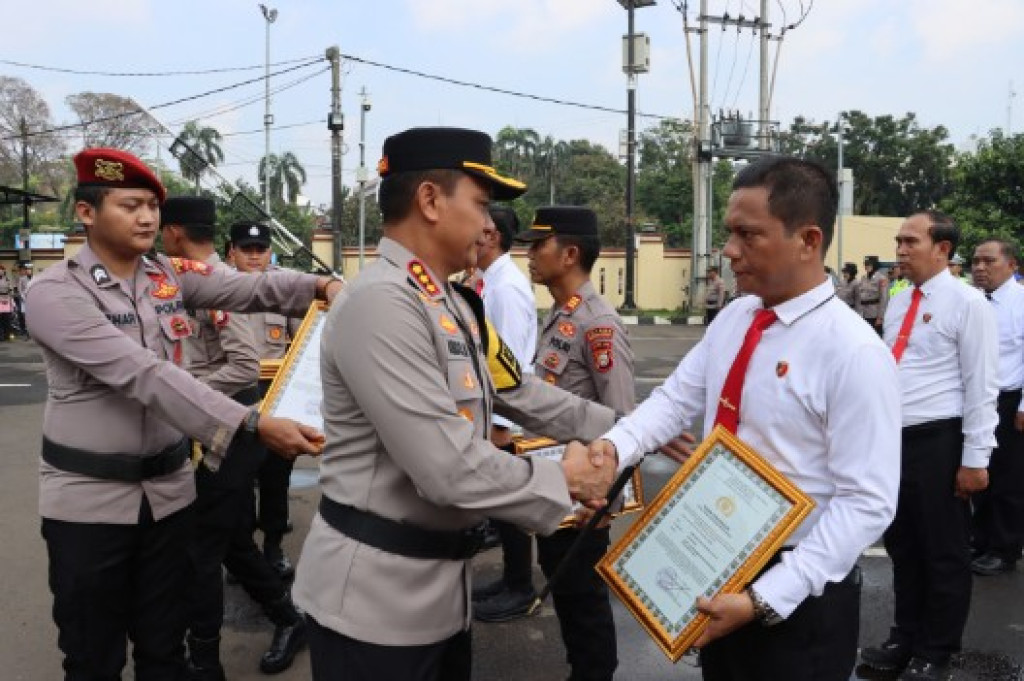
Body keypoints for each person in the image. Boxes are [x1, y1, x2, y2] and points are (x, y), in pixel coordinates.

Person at [291, 126, 619, 681]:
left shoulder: (453, 303)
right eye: (482, 204)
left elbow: (517, 392)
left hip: (438, 596)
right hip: (375, 608)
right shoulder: (382, 305)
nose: (491, 225)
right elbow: (448, 468)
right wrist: (564, 482)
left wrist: (631, 427)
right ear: (430, 201)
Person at [26, 147, 342, 681]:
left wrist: (321, 285)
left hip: (170, 496)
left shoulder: (166, 275)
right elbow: (144, 375)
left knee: (164, 649)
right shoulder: (53, 293)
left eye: (152, 205)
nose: (148, 217)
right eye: (130, 205)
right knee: (92, 657)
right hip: (89, 506)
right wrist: (250, 422)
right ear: (86, 212)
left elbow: (251, 286)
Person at [584, 156, 901, 681]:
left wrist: (765, 599)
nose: (729, 250)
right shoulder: (737, 316)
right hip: (718, 559)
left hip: (799, 587)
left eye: (747, 235)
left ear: (808, 240)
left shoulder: (852, 352)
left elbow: (867, 503)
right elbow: (672, 399)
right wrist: (613, 449)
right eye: (730, 232)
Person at [160, 199, 308, 678]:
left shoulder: (214, 285)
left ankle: (205, 660)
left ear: (174, 233)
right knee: (229, 540)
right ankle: (287, 618)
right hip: (215, 429)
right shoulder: (187, 277)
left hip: (231, 429)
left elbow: (244, 366)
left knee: (204, 547)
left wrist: (182, 394)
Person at [862, 211, 998, 681]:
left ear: (942, 249)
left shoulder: (968, 303)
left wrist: (975, 458)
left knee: (943, 550)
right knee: (903, 545)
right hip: (893, 439)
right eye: (898, 241)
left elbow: (981, 384)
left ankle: (935, 651)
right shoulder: (900, 300)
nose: (899, 249)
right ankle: (905, 636)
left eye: (910, 241)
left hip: (940, 439)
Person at [512, 205, 635, 681]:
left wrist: (608, 498)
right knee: (565, 593)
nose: (529, 254)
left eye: (537, 245)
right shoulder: (561, 314)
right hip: (556, 485)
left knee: (583, 601)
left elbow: (621, 417)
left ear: (569, 254)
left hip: (586, 497)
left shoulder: (598, 324)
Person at [470, 205, 542, 623]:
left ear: (492, 234)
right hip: (493, 412)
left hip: (505, 418)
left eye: (477, 229)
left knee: (513, 504)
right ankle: (509, 579)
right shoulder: (489, 281)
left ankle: (519, 586)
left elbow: (510, 360)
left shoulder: (506, 287)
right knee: (503, 503)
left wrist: (500, 426)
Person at [227, 220, 304, 581]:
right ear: (232, 252)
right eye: (246, 250)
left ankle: (273, 547)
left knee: (276, 476)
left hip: (275, 394)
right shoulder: (216, 289)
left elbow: (298, 345)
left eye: (260, 250)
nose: (254, 256)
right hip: (233, 397)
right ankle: (243, 554)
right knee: (236, 480)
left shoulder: (281, 291)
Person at [968, 238, 1024, 576]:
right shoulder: (971, 302)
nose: (979, 268)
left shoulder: (1020, 302)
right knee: (978, 472)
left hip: (1008, 400)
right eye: (976, 261)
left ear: (1012, 265)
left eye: (989, 261)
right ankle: (982, 539)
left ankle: (1004, 549)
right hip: (976, 399)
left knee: (1008, 477)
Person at [855, 255, 888, 334]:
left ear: (874, 265)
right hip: (863, 313)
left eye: (869, 264)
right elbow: (860, 297)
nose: (866, 266)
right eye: (865, 264)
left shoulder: (881, 278)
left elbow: (883, 298)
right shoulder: (863, 278)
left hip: (874, 314)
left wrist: (880, 317)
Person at [0, 265, 12, 341]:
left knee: (6, 318)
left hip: (6, 300)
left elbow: (10, 289)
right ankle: (1, 335)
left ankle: (7, 335)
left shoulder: (7, 279)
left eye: (2, 270)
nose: (0, 271)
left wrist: (9, 298)